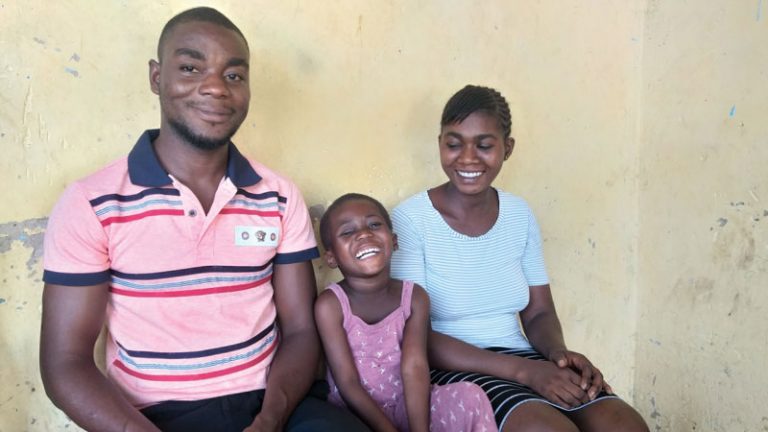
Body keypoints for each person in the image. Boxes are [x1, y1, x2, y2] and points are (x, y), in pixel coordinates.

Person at [39, 7, 368, 432]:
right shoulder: (92, 202)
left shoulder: (278, 196)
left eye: (234, 76)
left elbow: (302, 331)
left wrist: (270, 418)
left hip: (273, 403)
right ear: (157, 78)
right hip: (153, 418)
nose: (215, 88)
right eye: (191, 68)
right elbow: (65, 363)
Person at [390, 85, 650, 432]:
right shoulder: (411, 219)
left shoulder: (518, 213)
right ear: (440, 144)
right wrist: (527, 372)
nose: (467, 157)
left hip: (522, 358)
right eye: (454, 143)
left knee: (624, 425)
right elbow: (415, 335)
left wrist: (558, 355)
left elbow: (539, 311)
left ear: (507, 148)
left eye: (484, 145)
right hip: (450, 367)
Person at [315, 193, 497, 432]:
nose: (364, 234)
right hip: (355, 414)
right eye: (347, 232)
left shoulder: (414, 297)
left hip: (407, 404)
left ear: (394, 240)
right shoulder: (330, 305)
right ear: (331, 257)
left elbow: (415, 367)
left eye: (374, 224)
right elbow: (347, 383)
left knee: (471, 396)